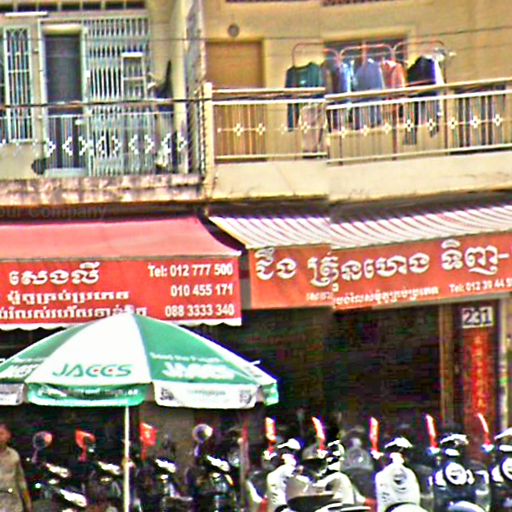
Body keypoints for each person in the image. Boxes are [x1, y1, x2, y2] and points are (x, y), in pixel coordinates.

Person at [0, 423, 32, 512]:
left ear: (8, 435)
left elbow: (21, 481)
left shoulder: (14, 455)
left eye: (1, 434)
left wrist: (28, 502)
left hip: (12, 504)